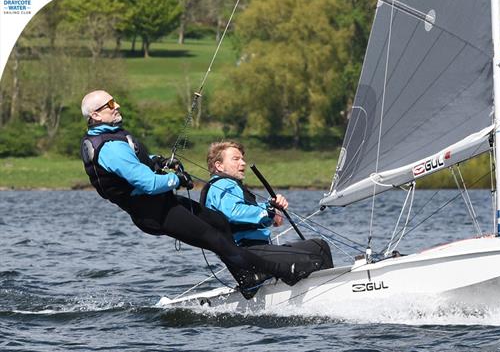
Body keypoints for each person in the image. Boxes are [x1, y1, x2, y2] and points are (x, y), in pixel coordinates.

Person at [79, 90, 300, 292]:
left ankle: (249, 280)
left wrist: (158, 160)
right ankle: (284, 272)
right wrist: (177, 179)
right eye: (109, 104)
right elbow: (148, 184)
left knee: (219, 223)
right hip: (154, 214)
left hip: (162, 205)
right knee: (215, 239)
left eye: (114, 101)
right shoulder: (109, 148)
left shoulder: (114, 137)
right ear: (96, 115)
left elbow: (138, 161)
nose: (116, 106)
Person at [201, 141, 333, 295]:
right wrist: (269, 209)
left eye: (242, 158)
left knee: (317, 247)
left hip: (250, 254)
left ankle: (291, 284)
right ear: (219, 166)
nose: (242, 162)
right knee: (317, 252)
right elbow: (234, 212)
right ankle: (325, 293)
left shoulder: (228, 185)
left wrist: (273, 214)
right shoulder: (223, 184)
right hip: (247, 253)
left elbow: (247, 215)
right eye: (235, 159)